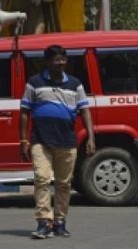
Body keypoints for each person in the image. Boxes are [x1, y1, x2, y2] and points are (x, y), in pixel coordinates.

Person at [19, 44, 96, 239]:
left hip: (67, 141)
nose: (60, 63)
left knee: (63, 183)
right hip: (41, 141)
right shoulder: (34, 83)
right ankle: (44, 222)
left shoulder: (75, 84)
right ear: (47, 62)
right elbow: (24, 112)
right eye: (56, 59)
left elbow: (85, 110)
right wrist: (23, 140)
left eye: (63, 59)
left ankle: (60, 221)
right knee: (42, 179)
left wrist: (91, 138)